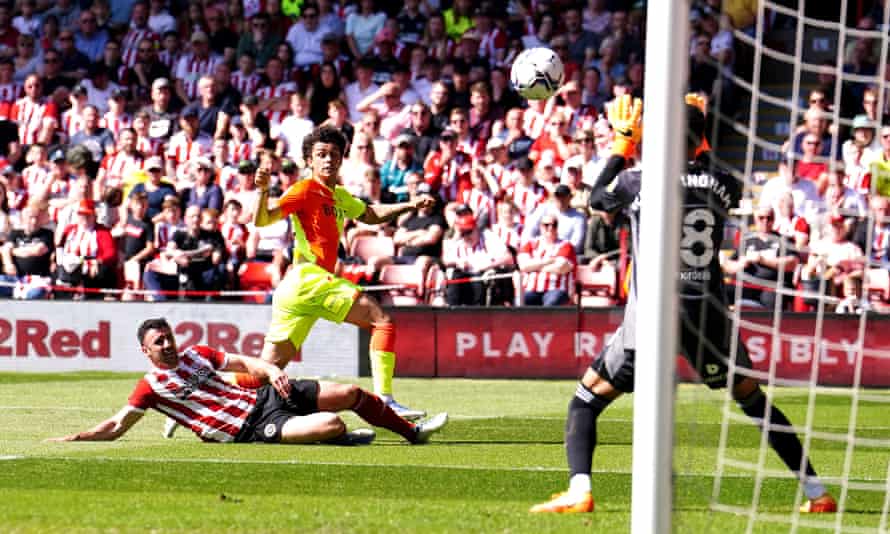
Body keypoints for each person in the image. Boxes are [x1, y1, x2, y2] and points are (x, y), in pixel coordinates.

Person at [530, 95, 836, 514]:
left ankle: (580, 490)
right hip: (708, 313)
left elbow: (597, 199)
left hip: (654, 314)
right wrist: (697, 128)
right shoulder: (724, 183)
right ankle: (817, 493)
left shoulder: (638, 181)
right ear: (700, 141)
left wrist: (622, 143)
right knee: (754, 402)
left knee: (585, 400)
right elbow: (705, 169)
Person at [251, 127, 435, 419]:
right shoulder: (304, 189)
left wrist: (409, 204)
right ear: (309, 161)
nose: (328, 160)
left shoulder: (339, 196)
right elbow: (262, 219)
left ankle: (201, 396)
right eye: (321, 155)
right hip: (307, 278)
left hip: (297, 289)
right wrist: (261, 191)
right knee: (381, 321)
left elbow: (371, 215)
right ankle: (385, 400)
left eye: (334, 154)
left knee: (265, 371)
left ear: (341, 159)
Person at [48, 318, 448, 445]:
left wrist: (272, 371)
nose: (167, 344)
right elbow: (117, 427)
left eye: (168, 336)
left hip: (267, 396)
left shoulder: (198, 354)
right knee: (334, 423)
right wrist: (77, 438)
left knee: (351, 393)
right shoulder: (150, 387)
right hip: (250, 427)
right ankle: (333, 437)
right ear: (145, 351)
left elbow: (243, 360)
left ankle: (413, 433)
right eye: (158, 342)